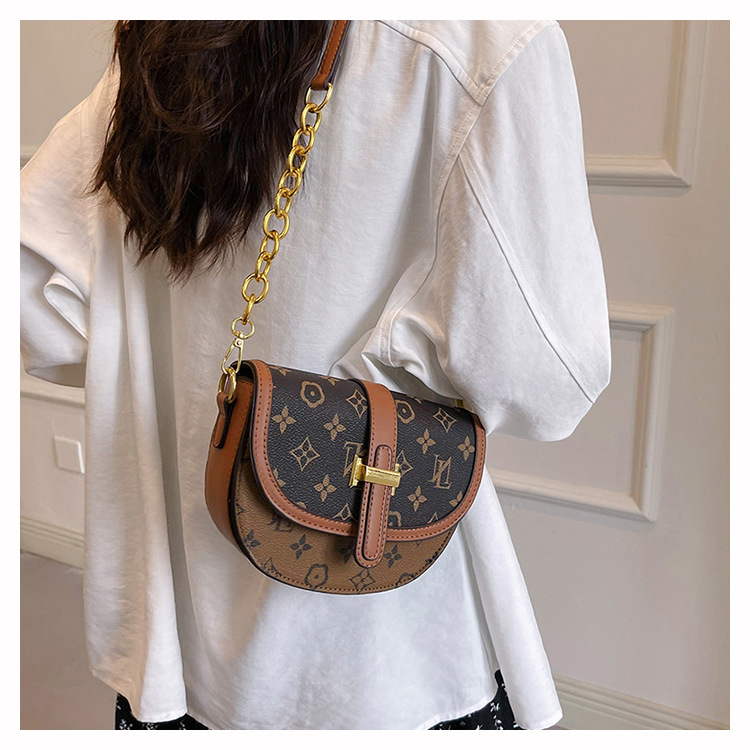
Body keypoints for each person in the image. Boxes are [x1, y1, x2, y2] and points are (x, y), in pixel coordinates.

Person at [20, 20, 611, 730]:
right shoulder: (481, 39)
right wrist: (387, 359)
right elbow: (548, 378)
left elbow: (36, 306)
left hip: (181, 635)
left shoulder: (165, 40)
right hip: (386, 652)